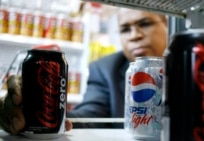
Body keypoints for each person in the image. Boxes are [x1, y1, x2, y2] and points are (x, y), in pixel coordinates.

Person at [0, 7, 168, 134]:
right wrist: (35, 110)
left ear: (167, 25)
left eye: (145, 24)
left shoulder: (192, 63)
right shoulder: (105, 68)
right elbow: (89, 115)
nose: (134, 35)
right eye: (125, 29)